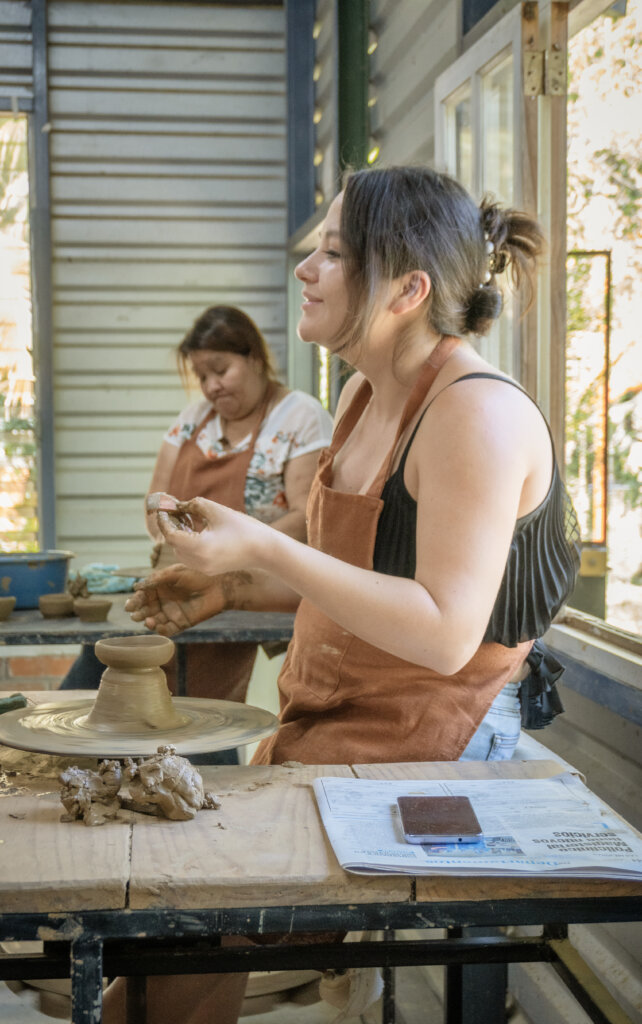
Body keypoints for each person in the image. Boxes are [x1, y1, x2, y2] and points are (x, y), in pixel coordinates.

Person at [106, 165, 580, 1024]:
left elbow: (443, 633)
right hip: (335, 715)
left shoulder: (476, 414)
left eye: (332, 252)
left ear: (407, 289)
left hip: (437, 731)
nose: (305, 268)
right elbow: (349, 569)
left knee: (200, 921)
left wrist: (262, 546)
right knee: (178, 920)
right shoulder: (363, 394)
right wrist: (229, 585)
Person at [59, 305, 333, 765]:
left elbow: (308, 518)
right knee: (110, 657)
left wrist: (230, 550)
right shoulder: (193, 420)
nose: (211, 386)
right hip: (180, 573)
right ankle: (84, 753)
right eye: (202, 376)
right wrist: (166, 523)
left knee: (202, 708)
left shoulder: (299, 417)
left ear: (255, 358)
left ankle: (200, 778)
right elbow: (155, 500)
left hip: (252, 582)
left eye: (220, 370)